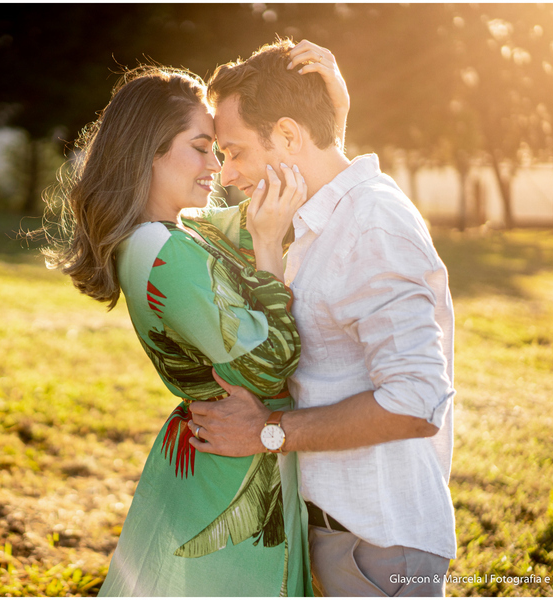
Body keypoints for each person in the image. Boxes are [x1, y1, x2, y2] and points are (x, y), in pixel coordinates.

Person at [44, 43, 349, 596]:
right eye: (202, 147)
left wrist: (330, 123)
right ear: (148, 153)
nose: (218, 166)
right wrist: (267, 251)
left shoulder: (181, 232)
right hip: (226, 476)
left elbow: (293, 192)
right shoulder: (160, 252)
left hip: (228, 460)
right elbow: (268, 366)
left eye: (219, 150)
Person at [187, 40, 457, 596]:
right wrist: (266, 243)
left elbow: (415, 400)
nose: (227, 173)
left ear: (287, 136)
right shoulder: (323, 219)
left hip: (376, 545)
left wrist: (264, 432)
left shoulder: (373, 223)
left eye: (234, 151)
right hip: (340, 532)